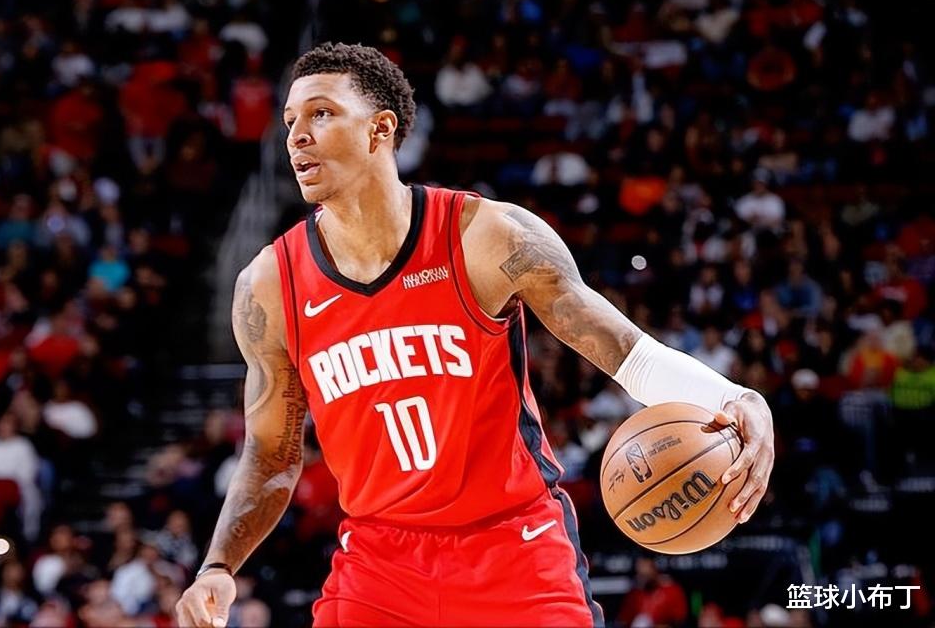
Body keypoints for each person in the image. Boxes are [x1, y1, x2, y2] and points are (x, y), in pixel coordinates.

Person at [175, 42, 775, 628]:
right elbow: (272, 454)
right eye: (289, 121)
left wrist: (734, 397)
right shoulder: (269, 286)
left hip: (515, 545)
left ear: (380, 128)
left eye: (321, 113)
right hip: (380, 564)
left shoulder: (485, 238)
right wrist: (218, 566)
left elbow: (625, 353)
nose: (296, 136)